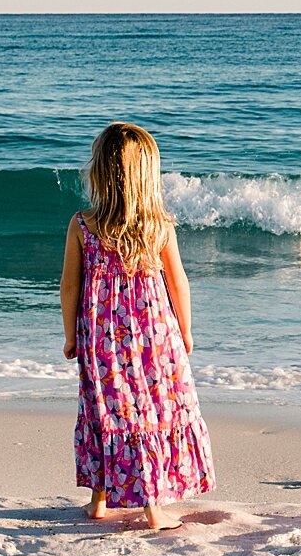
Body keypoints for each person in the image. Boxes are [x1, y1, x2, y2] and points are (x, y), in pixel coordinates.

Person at [62, 122, 213, 530]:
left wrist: (69, 335)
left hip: (102, 336)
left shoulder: (83, 225)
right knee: (150, 411)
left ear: (99, 174)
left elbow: (69, 286)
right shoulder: (158, 225)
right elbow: (178, 281)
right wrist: (185, 331)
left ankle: (99, 499)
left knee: (107, 410)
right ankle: (153, 509)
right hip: (153, 335)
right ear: (148, 174)